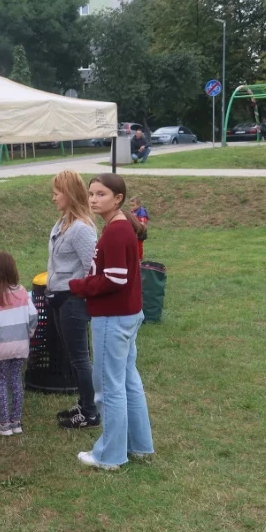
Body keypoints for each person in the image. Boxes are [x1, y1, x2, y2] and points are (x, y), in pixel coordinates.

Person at [69, 173, 154, 470]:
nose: (93, 199)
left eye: (101, 194)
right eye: (91, 193)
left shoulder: (116, 231)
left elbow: (116, 278)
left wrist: (80, 286)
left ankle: (110, 455)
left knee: (108, 387)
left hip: (113, 317)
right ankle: (139, 445)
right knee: (129, 381)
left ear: (118, 199)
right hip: (127, 314)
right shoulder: (118, 226)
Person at [48, 170, 101, 430]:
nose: (54, 197)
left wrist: (77, 290)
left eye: (57, 192)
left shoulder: (81, 228)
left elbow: (94, 266)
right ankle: (84, 403)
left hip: (73, 301)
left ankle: (90, 413)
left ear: (69, 194)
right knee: (74, 356)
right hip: (60, 298)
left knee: (80, 358)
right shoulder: (63, 223)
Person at [0, 252, 38, 437]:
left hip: (0, 348)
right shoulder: (21, 292)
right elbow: (33, 316)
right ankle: (16, 422)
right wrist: (28, 334)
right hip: (20, 346)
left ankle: (4, 425)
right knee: (16, 381)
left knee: (2, 382)